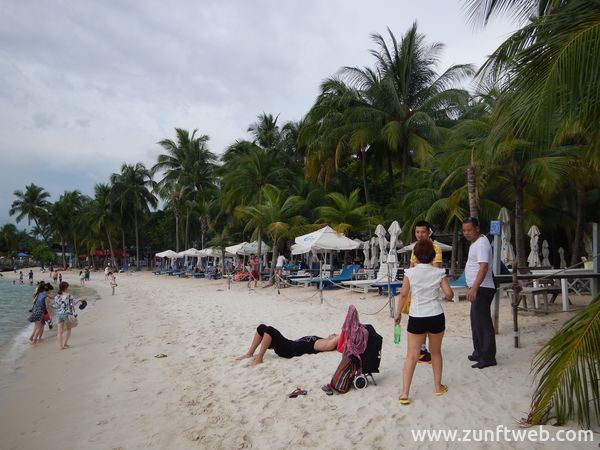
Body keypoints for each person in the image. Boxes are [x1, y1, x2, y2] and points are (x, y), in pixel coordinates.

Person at [395, 239, 454, 405]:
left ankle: (405, 393)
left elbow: (404, 295)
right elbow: (449, 294)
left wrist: (398, 314)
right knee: (435, 352)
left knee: (412, 355)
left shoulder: (410, 273)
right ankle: (438, 387)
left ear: (415, 255)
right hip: (436, 315)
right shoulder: (439, 272)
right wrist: (446, 296)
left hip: (417, 316)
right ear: (433, 255)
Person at [462, 217, 497, 369]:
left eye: (469, 230)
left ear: (477, 228)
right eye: (464, 230)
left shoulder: (482, 243)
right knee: (475, 321)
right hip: (477, 287)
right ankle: (478, 351)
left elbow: (483, 267)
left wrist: (475, 287)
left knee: (483, 323)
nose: (467, 233)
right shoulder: (475, 243)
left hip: (483, 288)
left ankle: (488, 357)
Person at [408, 220, 443, 364]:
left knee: (425, 320)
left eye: (423, 232)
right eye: (417, 232)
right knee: (419, 320)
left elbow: (436, 270)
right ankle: (422, 350)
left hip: (428, 291)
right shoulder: (415, 247)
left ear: (429, 232)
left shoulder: (436, 248)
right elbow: (411, 266)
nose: (420, 234)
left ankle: (426, 351)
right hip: (416, 290)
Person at [237, 325, 340, 367]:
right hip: (289, 344)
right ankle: (249, 354)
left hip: (289, 350)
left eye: (335, 336)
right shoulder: (320, 338)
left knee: (270, 330)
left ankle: (259, 358)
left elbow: (328, 346)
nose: (334, 334)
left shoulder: (320, 343)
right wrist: (333, 337)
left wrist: (340, 335)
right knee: (261, 328)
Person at [52, 281, 84, 350]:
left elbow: (55, 306)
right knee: (69, 329)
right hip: (67, 314)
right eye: (68, 287)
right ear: (65, 288)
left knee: (59, 331)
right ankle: (65, 343)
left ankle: (61, 347)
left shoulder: (56, 296)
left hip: (59, 314)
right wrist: (79, 300)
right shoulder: (69, 296)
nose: (68, 288)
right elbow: (72, 304)